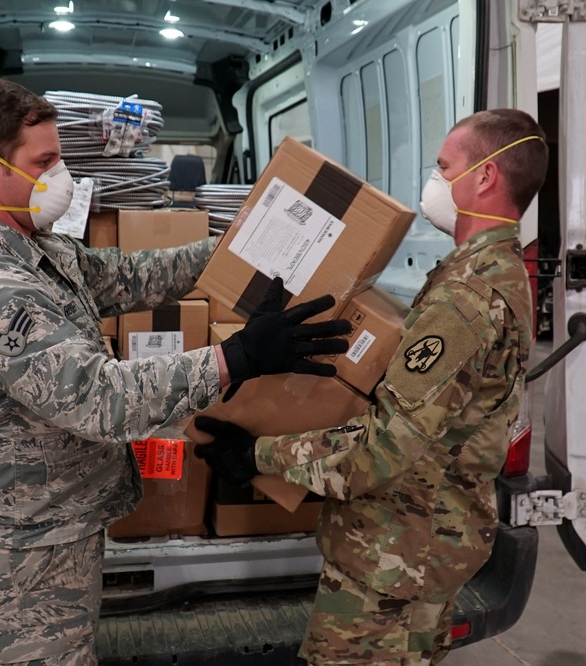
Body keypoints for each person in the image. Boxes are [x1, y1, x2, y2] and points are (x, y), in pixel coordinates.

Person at [0, 76, 351, 666]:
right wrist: (239, 356)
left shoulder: (37, 244)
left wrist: (247, 245)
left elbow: (131, 278)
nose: (59, 177)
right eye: (43, 161)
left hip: (56, 528)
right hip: (17, 554)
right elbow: (101, 400)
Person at [194, 108, 547, 665]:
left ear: (484, 178)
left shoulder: (466, 299)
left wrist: (257, 454)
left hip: (398, 559)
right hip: (424, 546)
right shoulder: (494, 273)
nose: (435, 183)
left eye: (443, 167)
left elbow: (382, 452)